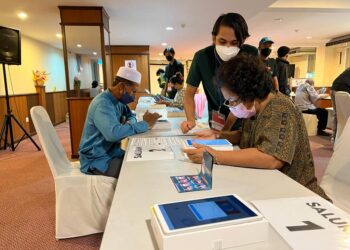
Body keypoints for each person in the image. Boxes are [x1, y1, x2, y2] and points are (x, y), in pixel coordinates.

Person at [183, 54, 330, 201]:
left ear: (249, 92)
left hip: (298, 194)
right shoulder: (256, 109)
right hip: (269, 186)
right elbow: (245, 136)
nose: (232, 106)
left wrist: (215, 155)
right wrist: (218, 135)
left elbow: (271, 158)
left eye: (232, 101)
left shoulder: (280, 107)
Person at [181, 13, 258, 134]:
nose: (228, 47)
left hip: (245, 121)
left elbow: (249, 98)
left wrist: (223, 133)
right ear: (213, 38)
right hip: (217, 120)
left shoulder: (250, 54)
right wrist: (190, 120)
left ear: (242, 41)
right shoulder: (202, 58)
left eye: (234, 43)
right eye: (222, 41)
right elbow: (189, 94)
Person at [79, 67, 161, 178]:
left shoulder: (118, 101)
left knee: (145, 161)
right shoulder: (103, 103)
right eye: (133, 91)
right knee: (139, 173)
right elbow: (113, 134)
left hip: (113, 153)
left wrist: (128, 124)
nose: (133, 96)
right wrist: (145, 124)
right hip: (98, 160)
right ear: (122, 87)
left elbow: (131, 116)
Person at [330, 68, 350, 140]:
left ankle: (335, 137)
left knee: (338, 114)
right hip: (344, 89)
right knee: (346, 115)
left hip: (333, 89)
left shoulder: (347, 71)